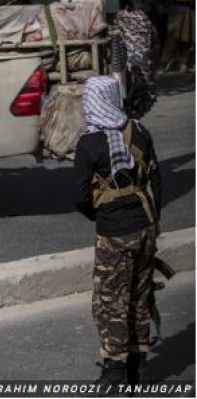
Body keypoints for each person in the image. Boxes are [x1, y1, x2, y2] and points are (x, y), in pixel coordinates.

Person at [73, 76, 162, 387]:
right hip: (146, 227)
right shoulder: (139, 131)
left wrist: (104, 217)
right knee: (140, 295)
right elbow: (156, 181)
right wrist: (152, 224)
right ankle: (137, 369)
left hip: (114, 233)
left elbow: (80, 195)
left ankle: (114, 375)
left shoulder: (90, 141)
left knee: (111, 301)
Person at [161, 0, 194, 72]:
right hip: (175, 12)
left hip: (187, 11)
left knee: (186, 38)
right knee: (172, 37)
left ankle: (183, 63)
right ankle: (165, 62)